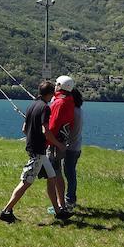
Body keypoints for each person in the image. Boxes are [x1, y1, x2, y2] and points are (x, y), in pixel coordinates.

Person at [0, 80, 72, 223]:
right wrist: (59, 144)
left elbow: (24, 128)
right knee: (26, 182)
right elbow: (46, 130)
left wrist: (32, 138)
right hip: (38, 151)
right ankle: (6, 211)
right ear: (51, 94)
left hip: (37, 150)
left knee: (52, 177)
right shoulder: (45, 108)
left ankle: (58, 212)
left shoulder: (32, 105)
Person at [45, 75, 77, 215]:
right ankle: (61, 204)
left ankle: (60, 206)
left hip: (54, 144)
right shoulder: (69, 101)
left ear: (60, 86)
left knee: (54, 174)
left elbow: (52, 126)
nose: (54, 87)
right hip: (62, 142)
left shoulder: (59, 103)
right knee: (57, 173)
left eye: (56, 84)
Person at [63, 87, 84, 211]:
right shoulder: (79, 110)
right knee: (71, 173)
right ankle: (70, 199)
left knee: (70, 175)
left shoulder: (73, 111)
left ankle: (70, 200)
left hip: (71, 148)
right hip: (77, 147)